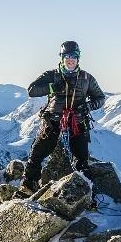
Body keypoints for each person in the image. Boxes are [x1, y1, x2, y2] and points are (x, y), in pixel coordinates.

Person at [19, 41, 106, 194]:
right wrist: (52, 87)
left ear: (78, 58)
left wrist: (88, 106)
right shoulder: (51, 75)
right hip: (53, 120)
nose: (70, 59)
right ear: (61, 58)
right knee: (38, 152)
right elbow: (31, 90)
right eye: (67, 56)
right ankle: (28, 185)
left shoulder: (87, 78)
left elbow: (100, 98)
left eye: (73, 56)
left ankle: (86, 194)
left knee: (81, 158)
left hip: (77, 120)